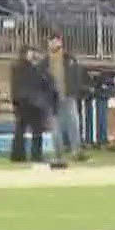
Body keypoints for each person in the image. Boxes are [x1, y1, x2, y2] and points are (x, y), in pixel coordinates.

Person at [44, 33, 86, 164]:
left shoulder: (70, 59)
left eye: (56, 41)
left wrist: (76, 90)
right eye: (51, 41)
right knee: (56, 127)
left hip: (68, 96)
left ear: (61, 42)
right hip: (53, 98)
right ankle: (59, 154)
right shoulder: (45, 61)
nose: (54, 44)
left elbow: (77, 75)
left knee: (73, 124)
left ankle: (76, 151)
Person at [9, 46, 54, 165]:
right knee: (37, 130)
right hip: (33, 102)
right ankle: (36, 155)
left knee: (20, 129)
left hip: (20, 101)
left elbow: (15, 86)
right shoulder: (33, 69)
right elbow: (42, 82)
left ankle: (17, 154)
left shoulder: (16, 67)